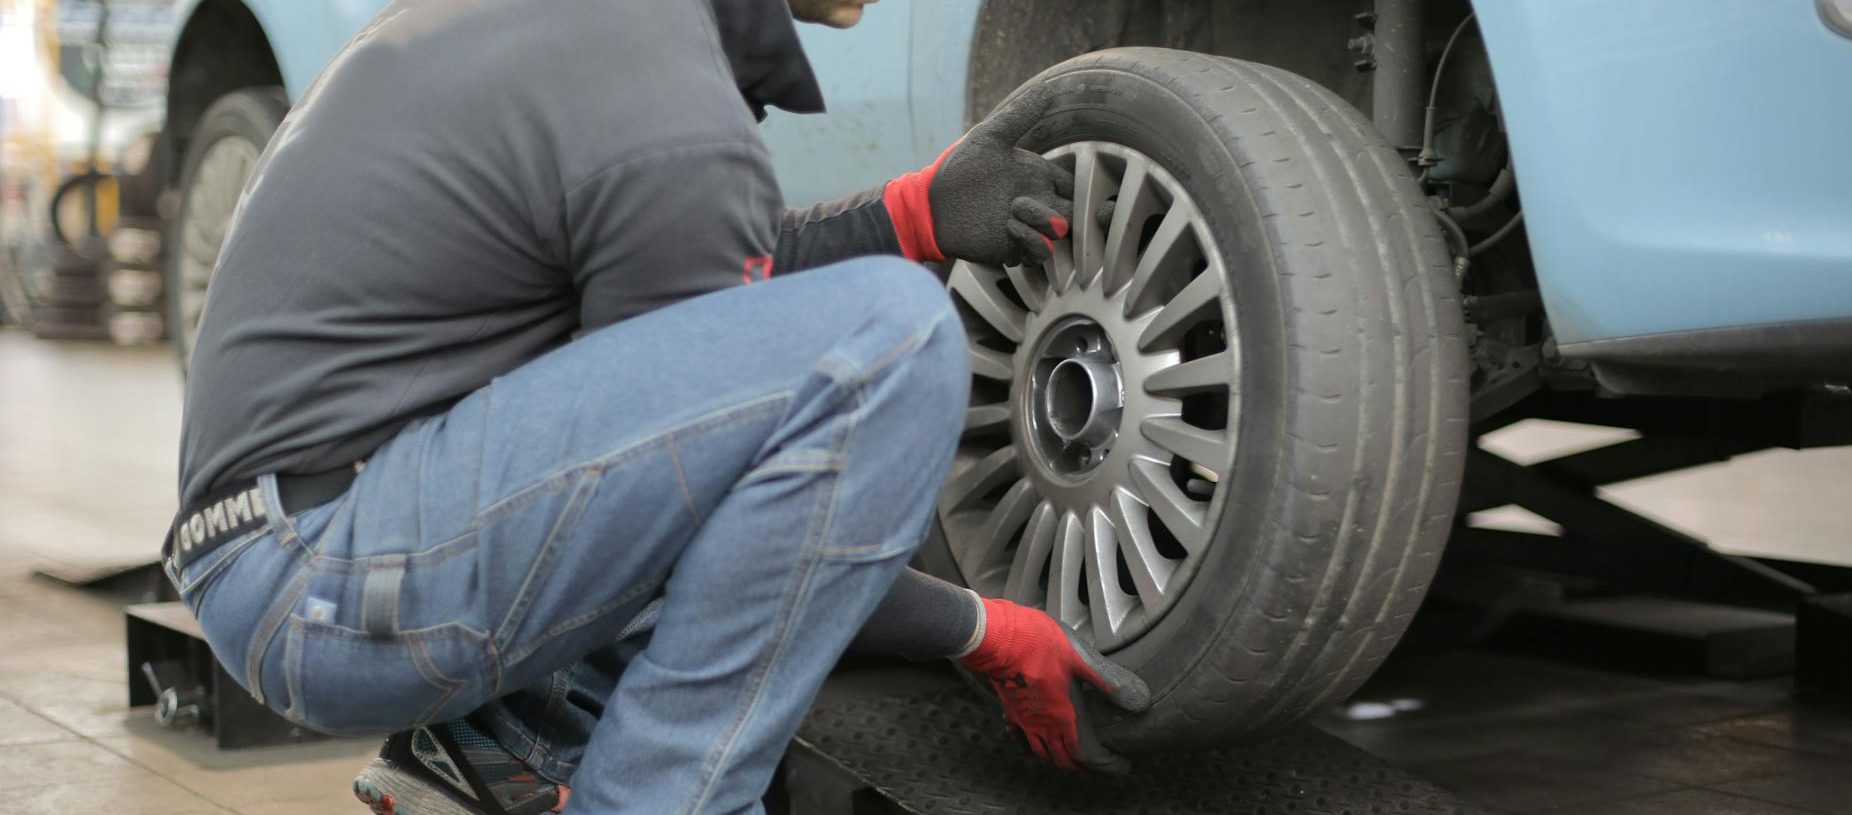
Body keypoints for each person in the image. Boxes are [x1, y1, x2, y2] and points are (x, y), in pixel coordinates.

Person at [166, 0, 1149, 813]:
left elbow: (685, 344)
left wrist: (904, 215)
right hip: (339, 581)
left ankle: (495, 745)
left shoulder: (600, 30)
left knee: (819, 354)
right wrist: (979, 628)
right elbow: (714, 480)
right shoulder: (666, 100)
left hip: (295, 554)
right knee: (891, 337)